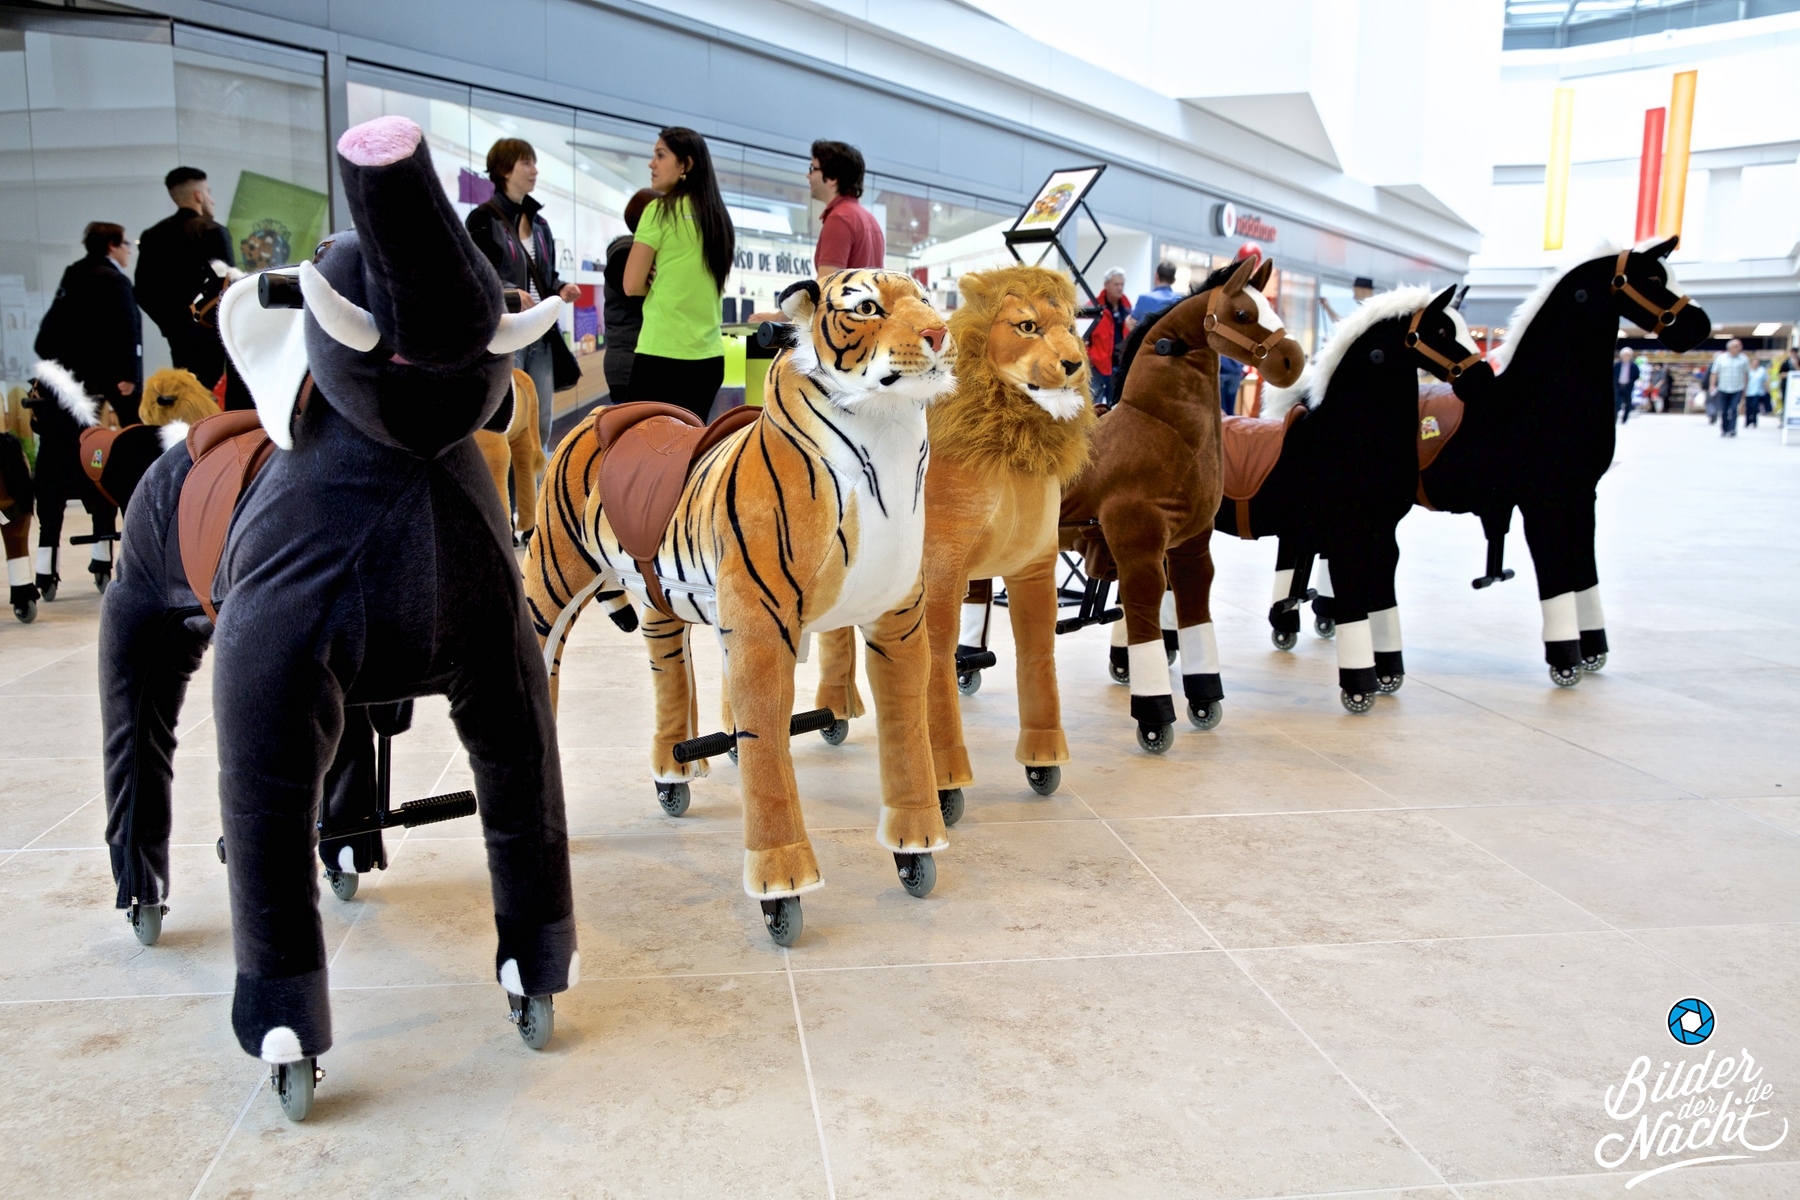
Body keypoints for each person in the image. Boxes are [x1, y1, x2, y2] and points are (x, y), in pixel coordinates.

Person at [467, 138, 583, 451]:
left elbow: (546, 274)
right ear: (505, 170)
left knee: (541, 419)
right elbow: (478, 279)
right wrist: (510, 293)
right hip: (508, 333)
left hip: (540, 333)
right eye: (526, 163)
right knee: (507, 420)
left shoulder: (540, 224)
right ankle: (507, 484)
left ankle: (534, 482)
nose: (534, 170)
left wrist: (560, 287)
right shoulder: (483, 219)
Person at [624, 127, 735, 422]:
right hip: (709, 359)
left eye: (660, 155)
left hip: (661, 354)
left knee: (640, 445)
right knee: (688, 445)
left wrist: (653, 282)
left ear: (685, 164)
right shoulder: (719, 219)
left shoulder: (659, 211)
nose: (652, 163)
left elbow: (631, 284)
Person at [135, 167, 235, 391]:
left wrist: (171, 324)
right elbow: (227, 286)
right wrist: (205, 322)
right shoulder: (212, 231)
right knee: (208, 394)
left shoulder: (152, 236)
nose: (211, 199)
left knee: (186, 391)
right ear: (198, 195)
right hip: (210, 334)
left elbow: (142, 290)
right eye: (208, 192)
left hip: (177, 335)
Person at [37, 222, 142, 425]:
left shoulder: (74, 273)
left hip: (77, 370)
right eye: (126, 243)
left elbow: (57, 320)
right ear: (112, 245)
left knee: (80, 427)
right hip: (114, 373)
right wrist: (131, 375)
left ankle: (89, 449)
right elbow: (129, 329)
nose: (129, 250)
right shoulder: (115, 280)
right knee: (132, 426)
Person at [602, 188, 659, 404]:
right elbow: (634, 292)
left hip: (633, 360)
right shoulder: (624, 254)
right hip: (629, 362)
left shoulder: (628, 253)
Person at [811, 140, 885, 273]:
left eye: (813, 169)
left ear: (832, 178)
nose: (808, 176)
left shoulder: (839, 218)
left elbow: (828, 283)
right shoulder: (871, 221)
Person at [1085, 268, 1130, 410]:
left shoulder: (1126, 307)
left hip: (1118, 366)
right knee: (1094, 407)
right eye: (1116, 284)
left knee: (1117, 407)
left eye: (1122, 284)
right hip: (1097, 367)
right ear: (1106, 285)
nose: (1120, 288)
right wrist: (1091, 356)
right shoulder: (1093, 307)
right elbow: (1082, 336)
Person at [1710, 338, 1750, 437]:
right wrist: (1712, 385)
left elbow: (1746, 374)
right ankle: (1724, 428)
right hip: (1723, 388)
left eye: (1740, 346)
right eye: (1736, 346)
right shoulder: (1721, 358)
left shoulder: (1744, 359)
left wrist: (1745, 389)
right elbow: (1714, 372)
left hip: (1737, 388)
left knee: (1733, 409)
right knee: (1723, 410)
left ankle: (1732, 429)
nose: (1739, 348)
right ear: (1730, 348)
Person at [1127, 261, 1180, 331]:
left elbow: (1132, 323)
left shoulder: (1144, 298)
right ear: (1173, 280)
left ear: (1156, 276)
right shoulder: (1179, 300)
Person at [1612, 346, 1639, 425]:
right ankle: (1615, 418)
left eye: (1628, 355)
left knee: (1627, 403)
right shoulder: (1617, 365)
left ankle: (1624, 419)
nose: (1626, 357)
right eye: (1625, 355)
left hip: (1628, 386)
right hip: (1618, 386)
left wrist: (1631, 381)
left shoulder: (1633, 366)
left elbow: (1637, 375)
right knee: (1617, 402)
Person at [1745, 356, 1769, 428]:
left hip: (1758, 391)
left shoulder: (1762, 370)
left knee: (1754, 406)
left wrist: (1766, 388)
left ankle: (1754, 421)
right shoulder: (1748, 370)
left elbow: (1765, 380)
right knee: (1748, 407)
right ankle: (1747, 421)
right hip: (1748, 391)